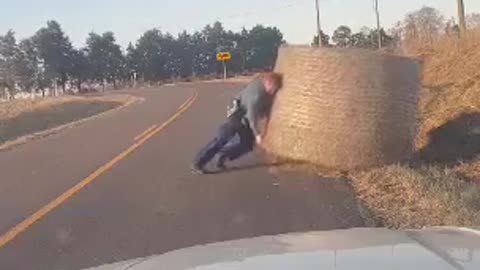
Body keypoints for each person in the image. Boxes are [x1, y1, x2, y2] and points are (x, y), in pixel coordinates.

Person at [192, 72, 283, 174]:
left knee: (247, 145)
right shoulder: (256, 95)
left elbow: (267, 112)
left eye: (276, 90)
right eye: (274, 89)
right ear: (269, 83)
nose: (274, 92)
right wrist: (257, 134)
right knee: (223, 138)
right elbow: (252, 117)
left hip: (246, 116)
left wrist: (265, 129)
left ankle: (223, 155)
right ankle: (198, 163)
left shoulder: (270, 93)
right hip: (237, 112)